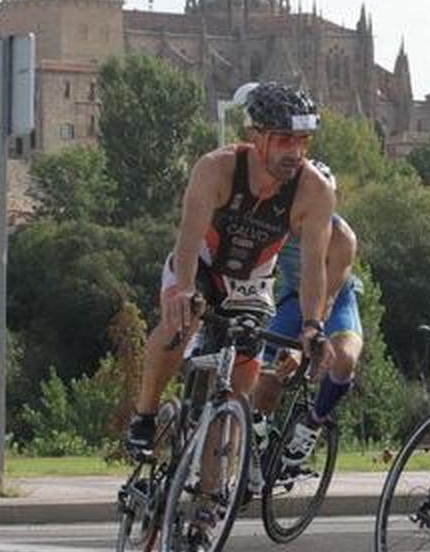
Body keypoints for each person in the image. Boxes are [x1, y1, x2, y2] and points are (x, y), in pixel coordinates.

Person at [124, 82, 335, 454]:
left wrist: (312, 325)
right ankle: (145, 415)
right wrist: (184, 290)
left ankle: (209, 502)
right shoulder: (216, 169)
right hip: (201, 265)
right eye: (284, 139)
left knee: (239, 384)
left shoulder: (314, 190)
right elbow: (188, 238)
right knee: (180, 323)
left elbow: (314, 265)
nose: (295, 152)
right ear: (256, 136)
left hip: (251, 280)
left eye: (303, 141)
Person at [250, 200, 365, 474]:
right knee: (264, 375)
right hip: (293, 300)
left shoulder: (342, 237)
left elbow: (327, 300)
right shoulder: (276, 223)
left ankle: (313, 423)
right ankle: (259, 437)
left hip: (335, 302)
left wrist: (305, 347)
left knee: (345, 358)